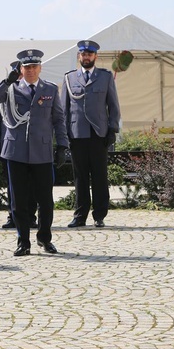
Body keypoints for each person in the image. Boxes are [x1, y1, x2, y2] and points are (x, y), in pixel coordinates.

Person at [0, 49, 68, 256]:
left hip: (42, 151)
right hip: (16, 151)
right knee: (18, 200)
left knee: (46, 200)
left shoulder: (49, 88)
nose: (30, 71)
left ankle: (44, 238)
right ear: (20, 69)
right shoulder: (10, 89)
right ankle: (23, 241)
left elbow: (58, 119)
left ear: (40, 68)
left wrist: (63, 145)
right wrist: (6, 81)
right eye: (26, 67)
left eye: (33, 67)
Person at [62, 40, 121, 228]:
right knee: (80, 177)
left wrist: (112, 129)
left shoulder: (105, 77)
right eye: (83, 54)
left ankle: (99, 215)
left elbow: (113, 105)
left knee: (99, 176)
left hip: (99, 133)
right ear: (79, 56)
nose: (86, 57)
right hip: (77, 133)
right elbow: (64, 109)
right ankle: (80, 215)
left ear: (95, 56)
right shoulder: (69, 78)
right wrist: (64, 136)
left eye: (89, 54)